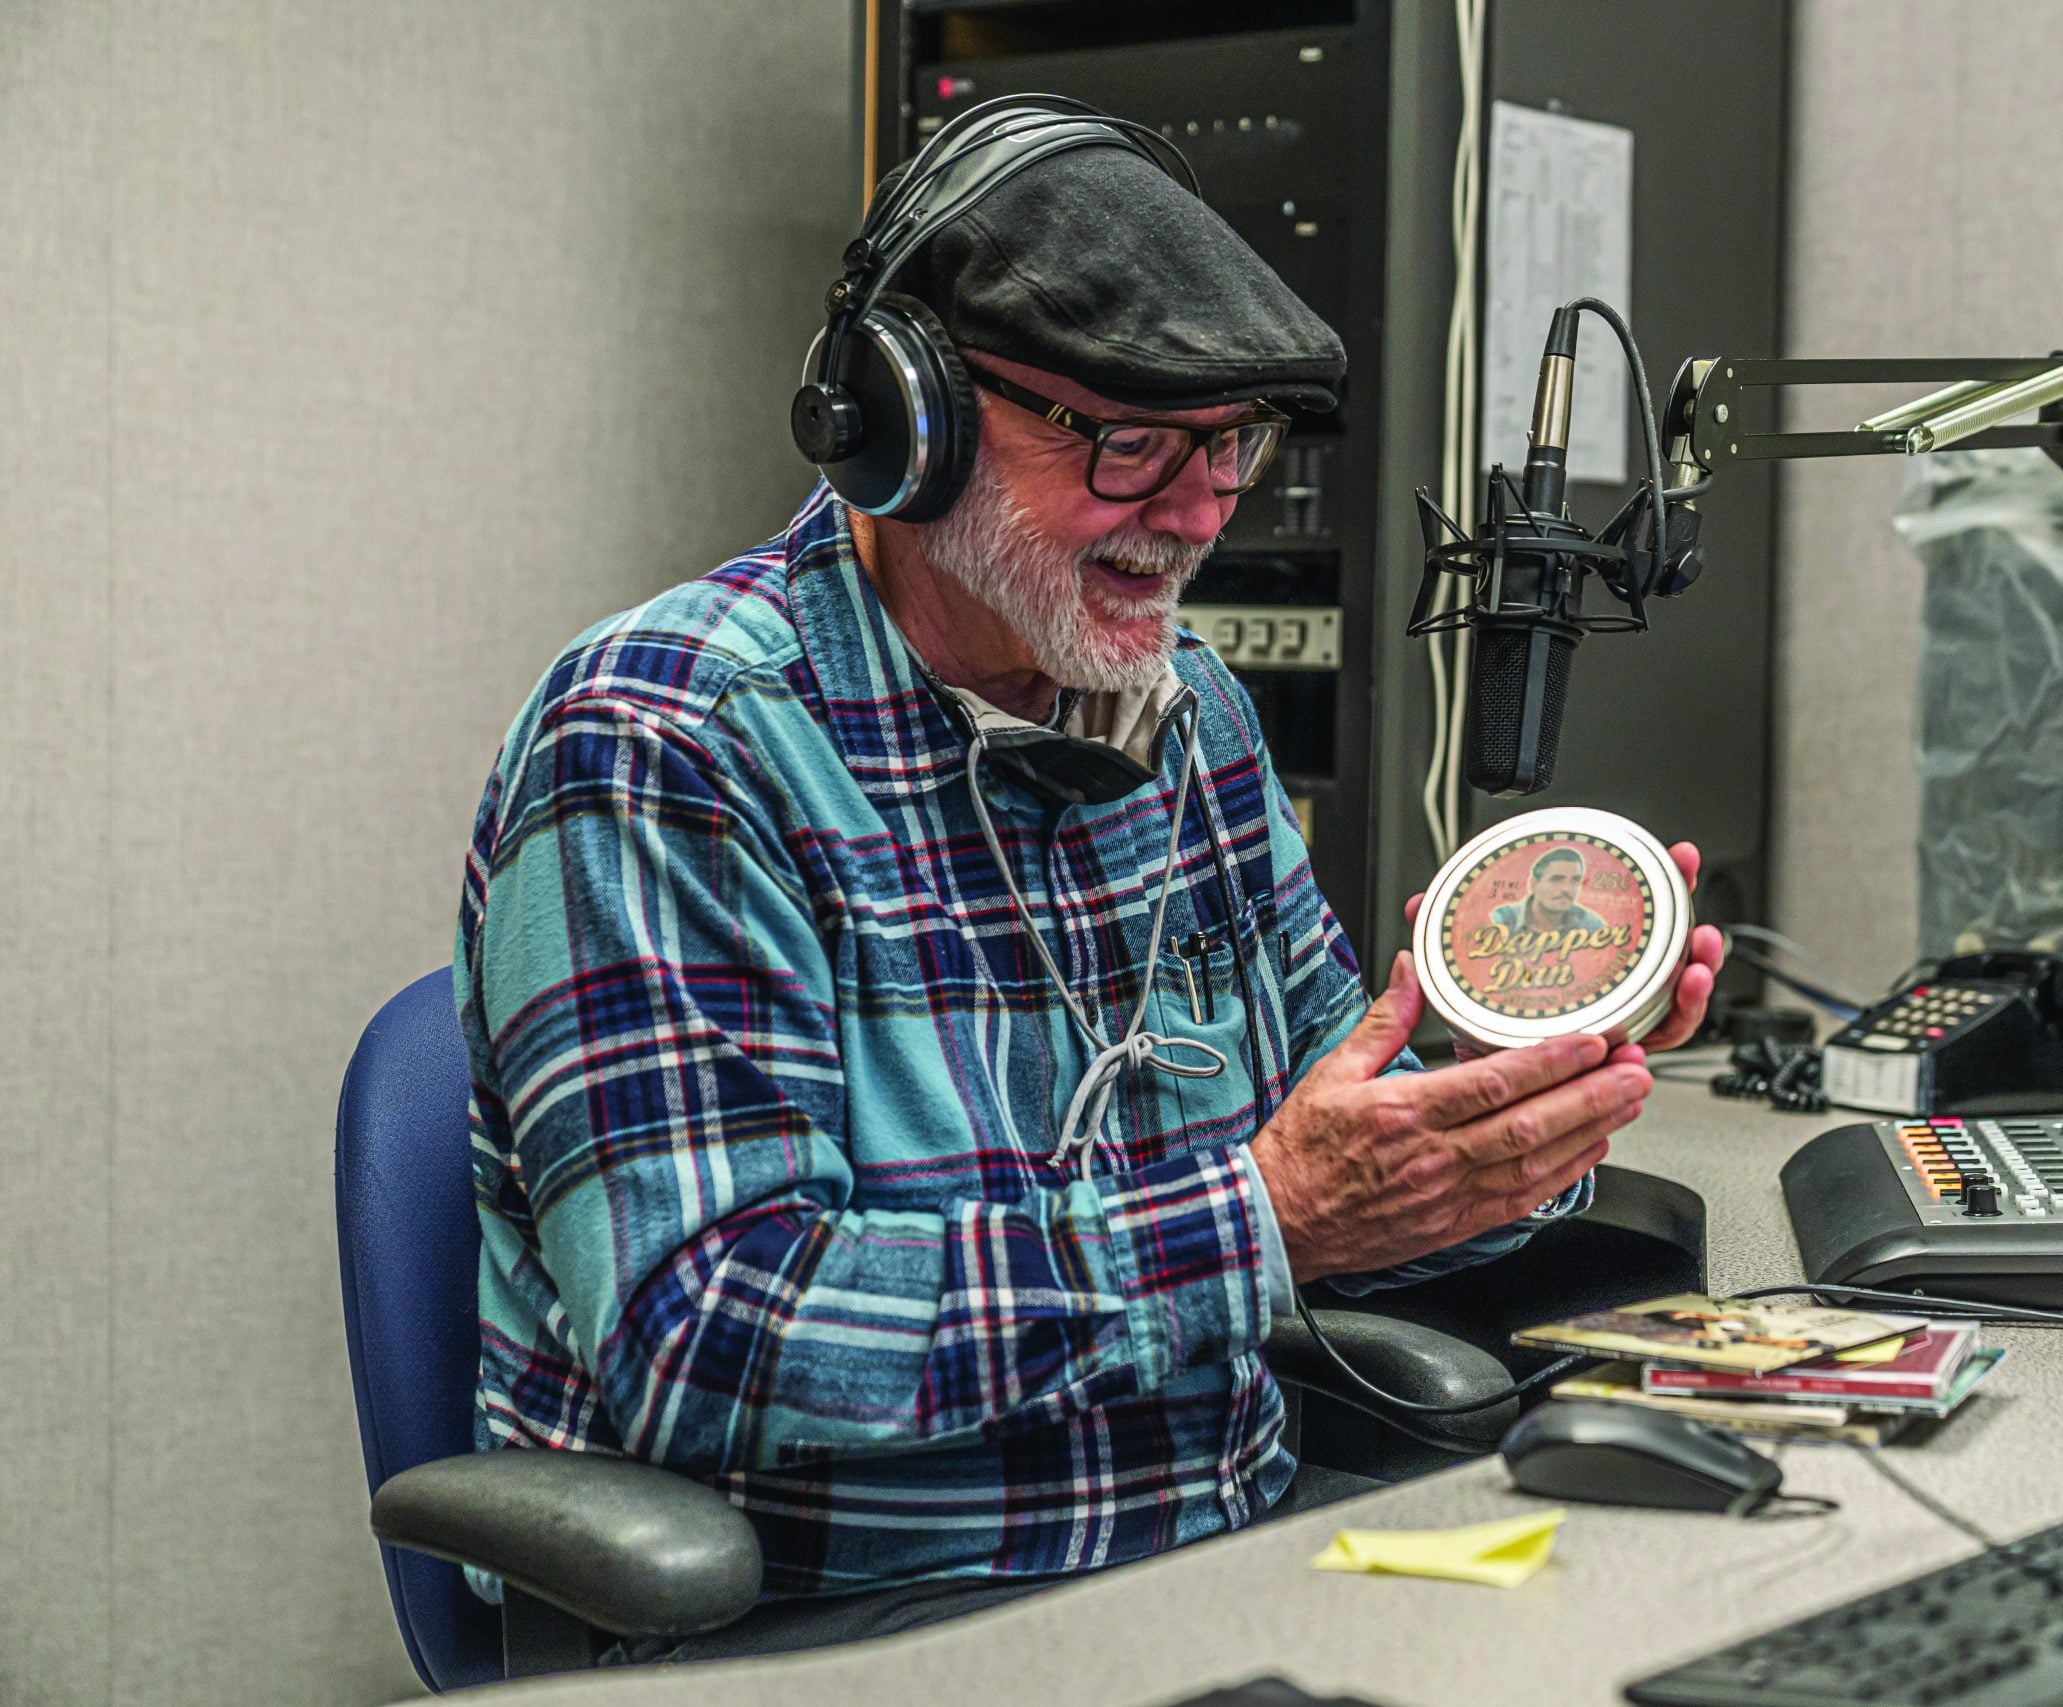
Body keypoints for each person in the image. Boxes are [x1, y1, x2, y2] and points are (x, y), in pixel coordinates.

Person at [454, 122, 1725, 1658]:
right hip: (860, 1619)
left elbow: (1342, 1178)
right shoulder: (667, 741)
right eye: (1130, 444)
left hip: (1217, 1563)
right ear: (907, 420)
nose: (1197, 513)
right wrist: (1263, 1216)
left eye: (1233, 445)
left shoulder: (1189, 711)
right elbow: (709, 1335)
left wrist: (1514, 1093)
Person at [1490, 846, 1612, 937]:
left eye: (1575, 880)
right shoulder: (1502, 919)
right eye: (1556, 879)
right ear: (1534, 884)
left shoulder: (1591, 925)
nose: (1567, 888)